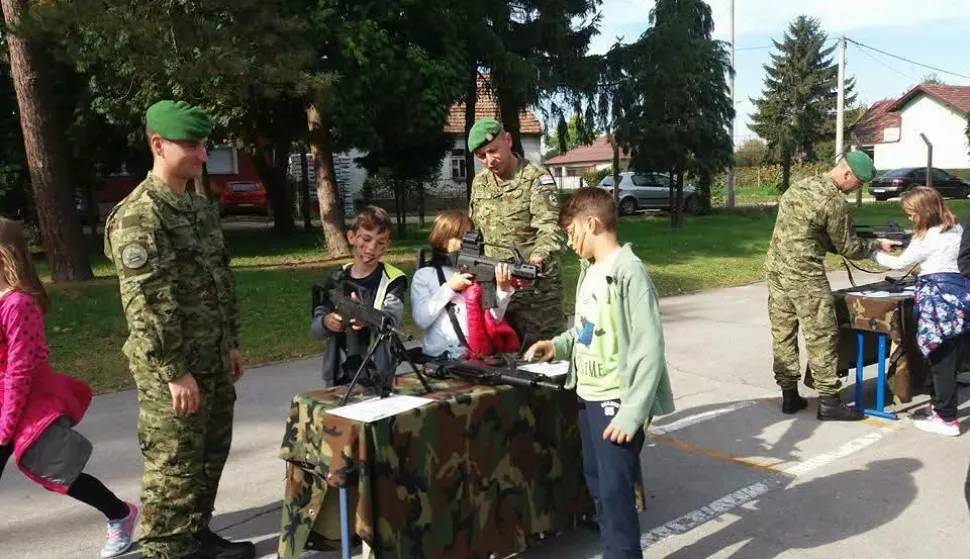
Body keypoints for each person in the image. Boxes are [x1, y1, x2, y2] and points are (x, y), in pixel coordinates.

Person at [104, 100, 253, 559]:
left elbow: (218, 280)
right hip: (175, 369)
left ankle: (195, 535)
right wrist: (174, 371)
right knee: (174, 468)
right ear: (158, 144)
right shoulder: (140, 216)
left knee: (210, 454)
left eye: (205, 144)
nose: (203, 154)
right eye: (193, 145)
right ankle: (167, 548)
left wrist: (229, 342)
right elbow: (147, 304)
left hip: (211, 358)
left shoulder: (197, 207)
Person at [524, 187, 674, 559]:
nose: (569, 242)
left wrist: (632, 412)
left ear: (591, 224)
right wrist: (556, 346)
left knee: (616, 491)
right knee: (596, 484)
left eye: (571, 232)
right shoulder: (590, 270)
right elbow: (585, 329)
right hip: (588, 395)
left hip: (616, 400)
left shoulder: (629, 272)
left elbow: (649, 347)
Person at [0, 218, 138, 558]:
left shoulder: (19, 304)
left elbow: (21, 369)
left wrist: (6, 426)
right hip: (4, 397)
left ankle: (120, 513)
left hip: (28, 400)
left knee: (59, 470)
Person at [765, 151, 900, 421]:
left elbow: (810, 232)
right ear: (847, 174)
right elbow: (848, 247)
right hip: (805, 276)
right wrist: (877, 245)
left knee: (783, 333)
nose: (856, 190)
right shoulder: (833, 201)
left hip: (776, 270)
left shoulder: (799, 187)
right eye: (858, 184)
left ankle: (789, 395)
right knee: (822, 335)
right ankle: (829, 402)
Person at [873, 187, 969, 436]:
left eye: (912, 213)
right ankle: (939, 409)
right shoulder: (955, 229)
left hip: (938, 305)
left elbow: (899, 264)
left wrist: (876, 253)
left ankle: (947, 420)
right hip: (960, 301)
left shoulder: (926, 239)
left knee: (940, 363)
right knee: (950, 359)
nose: (910, 218)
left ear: (923, 212)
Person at [467, 117, 565, 349]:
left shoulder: (536, 179)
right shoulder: (479, 184)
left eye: (493, 150)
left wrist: (537, 261)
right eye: (481, 156)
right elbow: (477, 232)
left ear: (508, 140)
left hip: (536, 298)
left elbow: (551, 229)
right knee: (497, 364)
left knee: (543, 368)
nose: (489, 160)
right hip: (497, 295)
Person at [311, 206, 407, 387]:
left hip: (377, 375)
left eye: (380, 243)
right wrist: (327, 322)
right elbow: (316, 330)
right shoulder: (336, 278)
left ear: (387, 245)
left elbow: (391, 320)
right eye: (366, 239)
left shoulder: (393, 280)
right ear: (351, 237)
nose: (371, 248)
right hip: (338, 376)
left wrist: (367, 318)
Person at [411, 210, 519, 360]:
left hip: (475, 357)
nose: (464, 241)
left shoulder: (478, 273)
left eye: (469, 236)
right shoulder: (425, 275)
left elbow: (493, 319)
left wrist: (503, 289)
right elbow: (421, 319)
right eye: (458, 236)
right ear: (441, 239)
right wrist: (450, 288)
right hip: (439, 358)